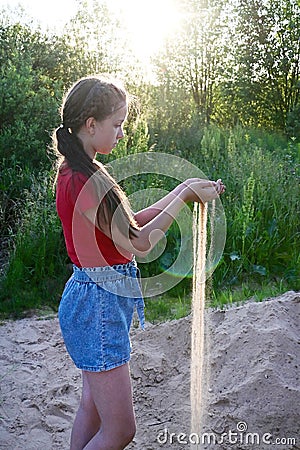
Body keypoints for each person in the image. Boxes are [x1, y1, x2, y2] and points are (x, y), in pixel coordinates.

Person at [54, 75, 225, 450]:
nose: (121, 133)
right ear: (90, 124)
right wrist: (182, 197)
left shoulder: (77, 172)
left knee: (92, 408)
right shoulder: (88, 180)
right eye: (117, 125)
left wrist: (181, 191)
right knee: (120, 431)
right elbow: (140, 244)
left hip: (87, 295)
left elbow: (128, 227)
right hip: (98, 305)